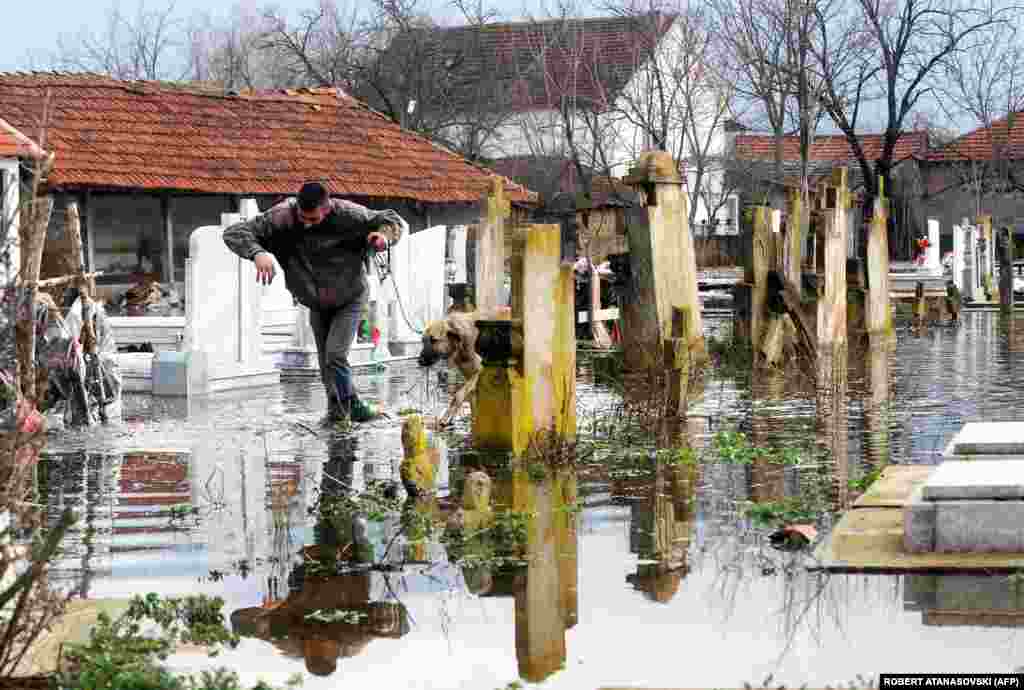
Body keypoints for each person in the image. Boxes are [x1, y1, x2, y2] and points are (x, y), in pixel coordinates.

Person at [223, 181, 408, 425]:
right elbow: (234, 233)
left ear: (327, 207)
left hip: (349, 296)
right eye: (303, 217)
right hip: (316, 301)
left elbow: (391, 219)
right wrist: (257, 252)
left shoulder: (348, 214)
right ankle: (338, 411)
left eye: (313, 218)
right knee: (325, 362)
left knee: (335, 355)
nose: (307, 223)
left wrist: (383, 237)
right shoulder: (282, 217)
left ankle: (350, 408)